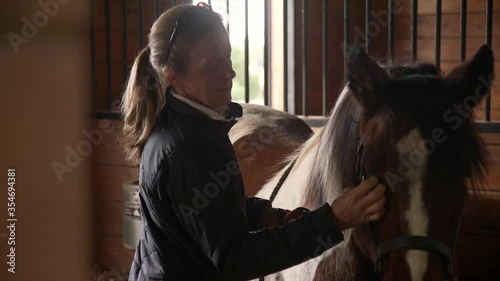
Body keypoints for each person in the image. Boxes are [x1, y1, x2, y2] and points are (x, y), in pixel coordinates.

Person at [120, 3, 386, 281]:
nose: (229, 72)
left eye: (227, 56)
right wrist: (333, 221)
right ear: (172, 77)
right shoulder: (187, 148)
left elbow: (211, 213)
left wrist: (266, 216)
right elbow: (237, 260)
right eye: (212, 65)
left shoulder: (191, 127)